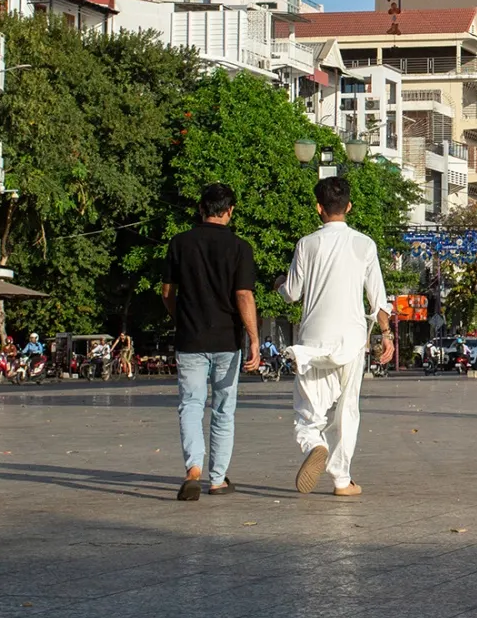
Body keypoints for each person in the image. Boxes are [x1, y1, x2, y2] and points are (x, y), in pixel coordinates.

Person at [281, 175, 392, 497]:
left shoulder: (306, 244)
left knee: (308, 409)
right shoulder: (364, 244)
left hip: (313, 340)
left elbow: (292, 293)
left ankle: (313, 444)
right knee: (347, 409)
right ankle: (342, 480)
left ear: (319, 208)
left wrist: (279, 285)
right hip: (352, 340)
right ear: (349, 206)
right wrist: (386, 334)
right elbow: (377, 298)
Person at [164, 183, 260, 501]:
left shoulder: (179, 243)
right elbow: (243, 295)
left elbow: (167, 292)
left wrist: (180, 318)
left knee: (191, 404)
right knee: (223, 409)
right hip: (227, 340)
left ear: (200, 209)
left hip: (190, 338)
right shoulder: (240, 248)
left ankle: (193, 468)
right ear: (230, 211)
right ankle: (217, 479)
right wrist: (254, 338)